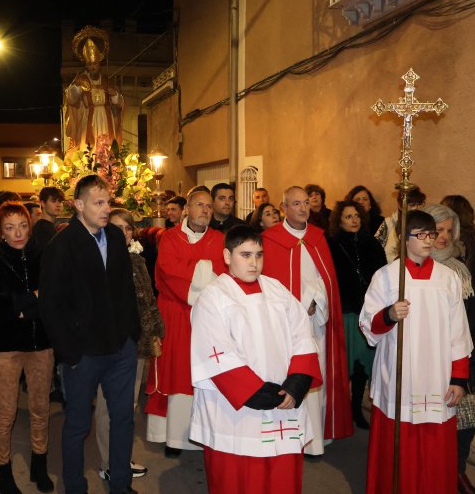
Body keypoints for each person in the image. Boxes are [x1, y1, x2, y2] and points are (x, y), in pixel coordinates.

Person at [189, 225, 321, 493]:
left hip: (283, 399)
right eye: (245, 255)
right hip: (237, 407)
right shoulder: (213, 297)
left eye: (259, 255)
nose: (254, 262)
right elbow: (214, 351)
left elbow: (302, 333)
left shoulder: (277, 290)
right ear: (227, 256)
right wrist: (254, 391)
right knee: (240, 479)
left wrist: (298, 381)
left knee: (281, 478)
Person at [359, 209, 473, 493]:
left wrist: (459, 377)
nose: (428, 240)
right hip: (399, 372)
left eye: (431, 234)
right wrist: (388, 315)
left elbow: (459, 331)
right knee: (399, 443)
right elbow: (369, 325)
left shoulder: (448, 278)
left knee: (434, 444)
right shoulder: (386, 277)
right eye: (420, 234)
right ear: (404, 238)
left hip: (437, 373)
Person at [40, 175, 141, 494]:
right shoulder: (62, 245)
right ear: (79, 205)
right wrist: (70, 352)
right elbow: (51, 306)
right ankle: (75, 487)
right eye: (98, 203)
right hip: (83, 354)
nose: (106, 208)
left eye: (108, 202)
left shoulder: (113, 235)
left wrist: (131, 334)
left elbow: (126, 289)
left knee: (123, 421)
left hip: (120, 348)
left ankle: (120, 484)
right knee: (77, 426)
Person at [262, 186, 353, 455]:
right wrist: (300, 305)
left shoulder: (318, 238)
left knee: (318, 371)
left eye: (305, 203)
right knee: (290, 372)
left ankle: (316, 438)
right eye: (296, 204)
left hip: (317, 323)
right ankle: (289, 434)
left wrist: (317, 302)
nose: (303, 208)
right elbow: (270, 284)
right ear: (284, 207)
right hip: (286, 326)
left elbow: (325, 281)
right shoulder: (270, 239)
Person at [145, 187, 227, 457]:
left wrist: (201, 275)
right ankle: (173, 437)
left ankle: (203, 433)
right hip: (175, 312)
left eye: (208, 206)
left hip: (209, 317)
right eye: (199, 205)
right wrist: (203, 272)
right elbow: (169, 271)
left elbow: (223, 273)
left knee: (204, 370)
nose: (204, 210)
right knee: (176, 369)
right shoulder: (170, 238)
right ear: (187, 209)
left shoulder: (219, 239)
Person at [0, 202, 53, 494]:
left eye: (22, 225)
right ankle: (1, 471)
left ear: (30, 225)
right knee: (6, 412)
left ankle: (39, 464)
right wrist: (31, 299)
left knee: (40, 408)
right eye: (10, 227)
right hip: (5, 347)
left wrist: (24, 305)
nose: (18, 233)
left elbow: (52, 298)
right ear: (1, 232)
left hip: (41, 345)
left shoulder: (43, 254)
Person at [94, 209, 165, 483]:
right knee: (107, 405)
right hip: (110, 345)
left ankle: (120, 458)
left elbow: (147, 300)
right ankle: (108, 462)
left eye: (126, 228)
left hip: (135, 342)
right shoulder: (100, 260)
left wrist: (154, 331)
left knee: (129, 405)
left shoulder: (136, 259)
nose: (121, 233)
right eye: (115, 227)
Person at [423, 204, 475, 493]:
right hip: (429, 360)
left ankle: (456, 473)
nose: (445, 236)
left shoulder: (460, 268)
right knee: (432, 425)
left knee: (466, 421)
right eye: (439, 229)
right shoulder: (412, 268)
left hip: (463, 356)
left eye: (450, 230)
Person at [327, 200, 387, 430]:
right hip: (345, 311)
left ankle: (356, 410)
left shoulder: (372, 244)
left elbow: (382, 274)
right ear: (339, 220)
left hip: (368, 312)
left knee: (363, 365)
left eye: (356, 216)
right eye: (348, 216)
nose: (353, 220)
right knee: (345, 365)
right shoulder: (331, 244)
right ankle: (341, 410)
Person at [64, 27, 124, 152]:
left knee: (107, 146)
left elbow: (120, 103)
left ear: (99, 65)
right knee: (88, 148)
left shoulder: (107, 80)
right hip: (89, 118)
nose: (93, 67)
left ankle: (106, 166)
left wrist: (115, 95)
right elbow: (71, 99)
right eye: (90, 65)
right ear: (87, 66)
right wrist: (78, 86)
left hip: (106, 117)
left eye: (95, 64)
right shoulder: (82, 79)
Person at [375, 186, 426, 263]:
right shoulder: (389, 223)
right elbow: (374, 250)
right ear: (400, 206)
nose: (417, 208)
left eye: (419, 205)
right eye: (412, 205)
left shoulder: (426, 226)